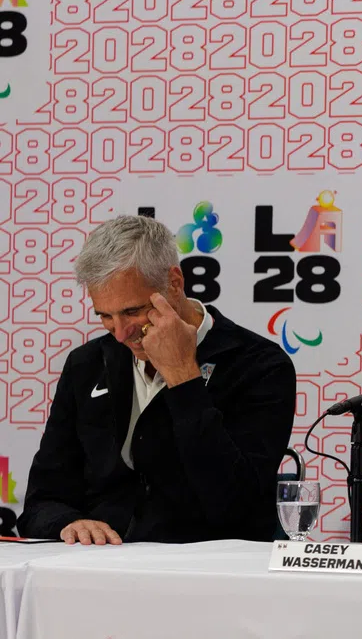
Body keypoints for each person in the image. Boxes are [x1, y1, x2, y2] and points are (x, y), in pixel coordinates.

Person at [18, 216, 297, 545]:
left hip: (210, 573)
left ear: (174, 283)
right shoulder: (87, 364)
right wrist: (70, 523)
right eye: (106, 316)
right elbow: (40, 502)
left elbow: (236, 505)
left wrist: (183, 374)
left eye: (133, 311)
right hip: (100, 571)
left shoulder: (260, 364)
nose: (121, 333)